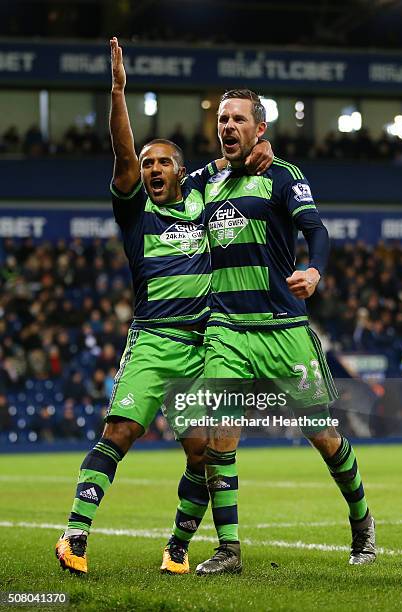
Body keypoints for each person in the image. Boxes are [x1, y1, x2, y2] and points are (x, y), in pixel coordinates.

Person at [55, 41, 272, 576]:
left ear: (180, 172)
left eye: (162, 163)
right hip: (154, 343)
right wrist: (119, 92)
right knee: (119, 434)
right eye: (146, 163)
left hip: (204, 348)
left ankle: (177, 547)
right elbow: (122, 154)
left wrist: (264, 150)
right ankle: (75, 536)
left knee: (201, 455)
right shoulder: (136, 213)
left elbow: (236, 155)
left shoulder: (203, 200)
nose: (151, 169)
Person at [189, 89, 375, 574]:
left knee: (324, 435)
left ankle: (362, 521)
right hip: (227, 328)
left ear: (259, 130)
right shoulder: (208, 180)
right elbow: (165, 185)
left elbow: (317, 230)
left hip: (283, 329)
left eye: (237, 120)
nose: (226, 126)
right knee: (220, 436)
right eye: (222, 119)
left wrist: (314, 272)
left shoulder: (283, 176)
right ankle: (228, 549)